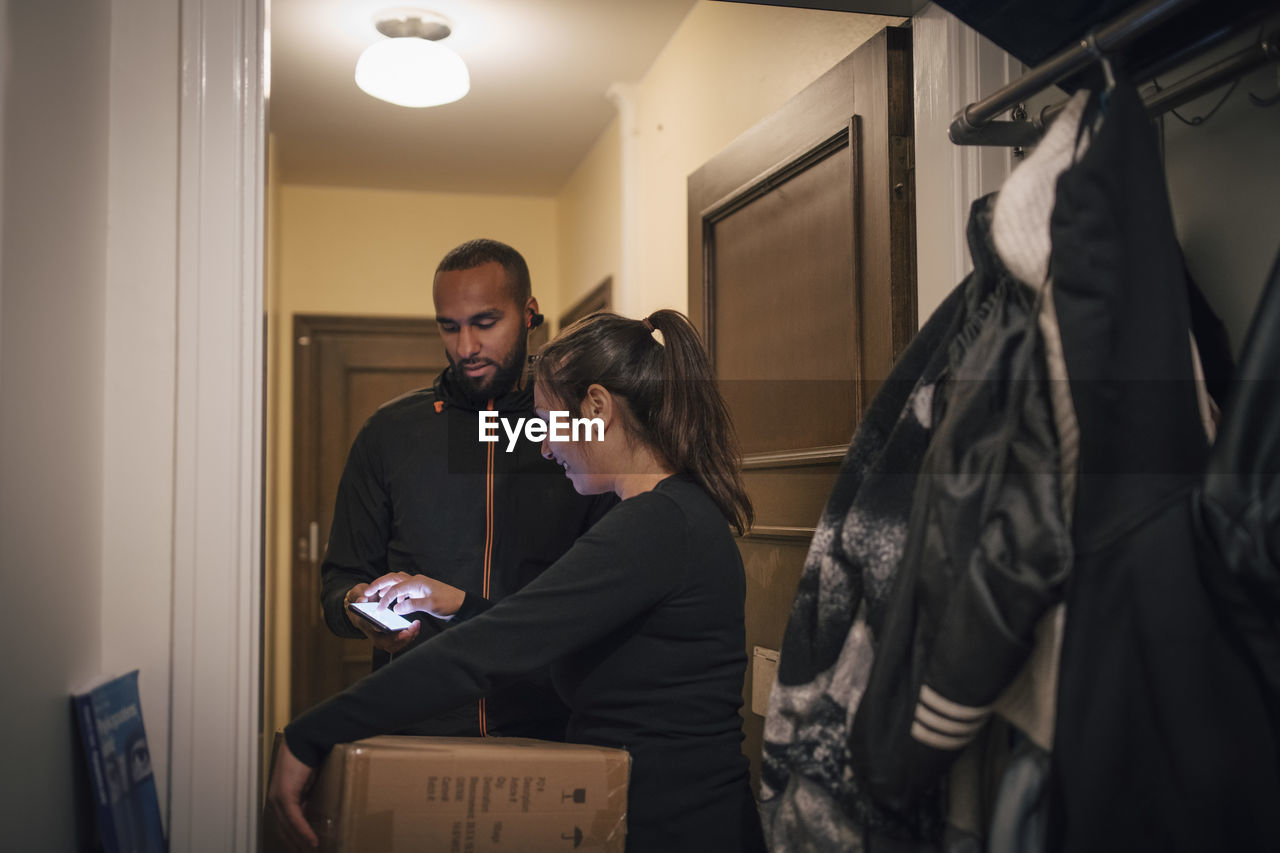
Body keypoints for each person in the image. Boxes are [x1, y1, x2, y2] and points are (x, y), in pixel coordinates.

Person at [269, 309, 767, 852]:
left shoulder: (654, 525)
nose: (546, 448)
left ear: (596, 408)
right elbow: (543, 643)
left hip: (683, 829)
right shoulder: (669, 515)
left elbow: (493, 650)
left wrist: (310, 735)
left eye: (549, 422)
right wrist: (457, 604)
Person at [319, 238, 613, 741]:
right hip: (413, 728)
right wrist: (355, 606)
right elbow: (338, 582)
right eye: (449, 327)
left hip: (553, 729)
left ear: (529, 313)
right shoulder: (388, 434)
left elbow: (605, 596)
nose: (465, 347)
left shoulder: (575, 431)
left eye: (484, 322)